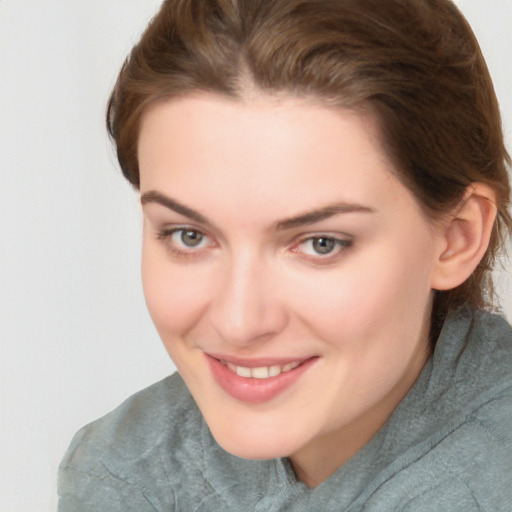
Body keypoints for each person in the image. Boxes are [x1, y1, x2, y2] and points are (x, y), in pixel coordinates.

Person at [57, 0, 512, 510]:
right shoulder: (122, 471)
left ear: (457, 237)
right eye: (188, 235)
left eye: (321, 244)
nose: (238, 322)